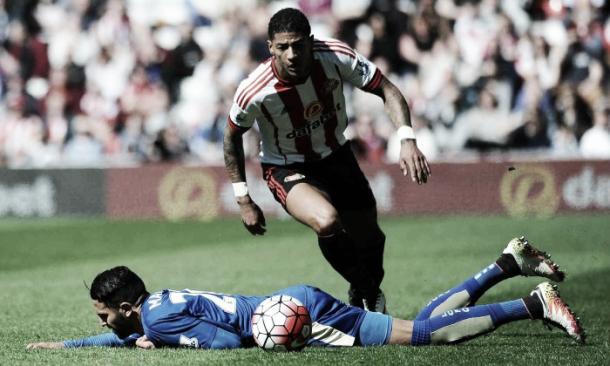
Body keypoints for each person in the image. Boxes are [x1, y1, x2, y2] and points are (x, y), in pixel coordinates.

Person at [223, 8, 432, 313]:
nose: (292, 54)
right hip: (286, 166)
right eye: (282, 47)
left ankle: (365, 293)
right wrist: (243, 199)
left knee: (371, 239)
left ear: (310, 41)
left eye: (298, 45)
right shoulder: (254, 90)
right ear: (270, 47)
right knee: (327, 220)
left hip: (337, 154)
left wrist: (407, 139)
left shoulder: (335, 55)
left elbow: (387, 89)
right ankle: (365, 291)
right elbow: (230, 137)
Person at [26, 237, 584, 350]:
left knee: (417, 337)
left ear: (127, 308)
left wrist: (152, 346)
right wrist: (77, 347)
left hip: (288, 317)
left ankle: (532, 304)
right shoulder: (156, 306)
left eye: (105, 318)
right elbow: (129, 335)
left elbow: (223, 346)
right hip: (290, 298)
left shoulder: (159, 325)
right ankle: (504, 264)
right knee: (415, 326)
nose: (104, 324)